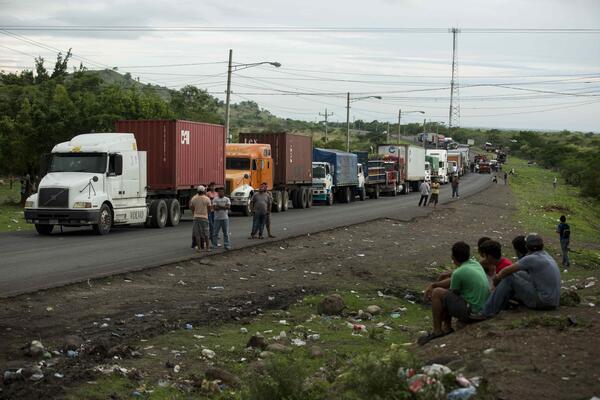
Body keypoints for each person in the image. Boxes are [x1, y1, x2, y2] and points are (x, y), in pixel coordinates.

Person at [418, 242, 490, 345]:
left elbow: (452, 293)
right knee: (446, 294)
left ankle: (437, 331)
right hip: (482, 308)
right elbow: (452, 282)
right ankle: (447, 328)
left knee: (438, 293)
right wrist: (435, 284)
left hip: (473, 313)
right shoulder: (475, 263)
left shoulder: (458, 273)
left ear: (453, 257)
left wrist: (435, 288)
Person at [480, 234, 561, 318]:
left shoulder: (531, 258)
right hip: (553, 301)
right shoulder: (546, 255)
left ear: (527, 247)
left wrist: (496, 279)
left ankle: (487, 312)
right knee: (518, 273)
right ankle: (504, 302)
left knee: (509, 277)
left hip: (543, 302)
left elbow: (506, 271)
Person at [189, 185, 212, 253]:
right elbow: (209, 208)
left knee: (197, 234)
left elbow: (191, 207)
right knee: (206, 233)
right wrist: (207, 214)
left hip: (196, 217)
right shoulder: (207, 199)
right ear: (204, 191)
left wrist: (194, 213)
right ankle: (207, 248)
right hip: (204, 217)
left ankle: (199, 248)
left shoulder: (194, 198)